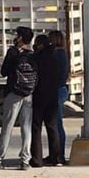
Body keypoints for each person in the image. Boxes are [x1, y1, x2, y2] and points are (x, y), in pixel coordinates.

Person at [0, 26, 36, 171]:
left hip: (14, 93)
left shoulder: (13, 52)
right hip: (29, 93)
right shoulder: (32, 53)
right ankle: (25, 160)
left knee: (7, 126)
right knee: (26, 127)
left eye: (17, 35)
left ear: (20, 38)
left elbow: (3, 72)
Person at [30, 34, 62, 167]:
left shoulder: (36, 57)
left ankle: (37, 159)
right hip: (52, 95)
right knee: (52, 126)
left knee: (36, 128)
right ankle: (56, 158)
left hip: (39, 95)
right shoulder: (55, 57)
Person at [48, 30, 70, 165]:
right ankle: (56, 153)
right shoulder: (63, 54)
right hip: (61, 89)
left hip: (56, 90)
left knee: (56, 124)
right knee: (56, 123)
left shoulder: (56, 55)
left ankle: (58, 154)